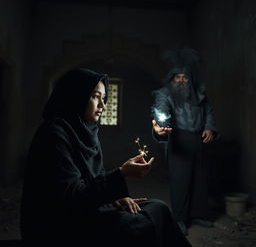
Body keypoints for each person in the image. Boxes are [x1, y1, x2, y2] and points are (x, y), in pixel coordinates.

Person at [20, 68, 192, 247]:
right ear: (76, 96)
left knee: (158, 207)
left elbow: (94, 180)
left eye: (104, 98)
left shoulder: (87, 132)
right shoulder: (54, 135)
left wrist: (114, 199)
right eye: (95, 97)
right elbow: (70, 199)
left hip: (86, 211)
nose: (102, 105)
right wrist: (121, 174)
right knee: (144, 224)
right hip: (59, 226)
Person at [151, 48, 218, 235]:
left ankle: (198, 215)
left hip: (199, 141)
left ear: (190, 78)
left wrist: (209, 128)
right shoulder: (165, 94)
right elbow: (161, 111)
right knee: (180, 182)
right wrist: (162, 126)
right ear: (172, 79)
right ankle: (180, 219)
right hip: (178, 141)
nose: (181, 81)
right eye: (177, 77)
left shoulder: (199, 93)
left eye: (184, 77)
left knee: (199, 179)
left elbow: (209, 112)